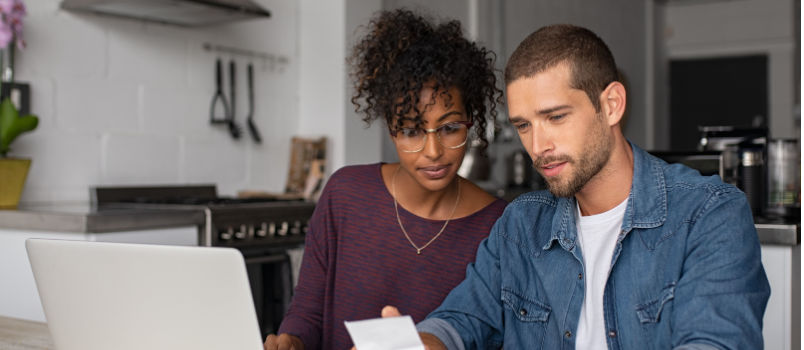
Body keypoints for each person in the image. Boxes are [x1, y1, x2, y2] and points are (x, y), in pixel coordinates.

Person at [382, 24, 770, 349]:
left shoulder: (709, 215)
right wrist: (416, 344)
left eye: (555, 117)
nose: (538, 146)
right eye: (524, 125)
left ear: (612, 105)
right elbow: (460, 321)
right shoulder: (521, 224)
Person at [263, 9, 507, 350]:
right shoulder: (345, 194)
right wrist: (291, 341)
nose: (433, 150)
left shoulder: (499, 226)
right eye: (411, 131)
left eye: (450, 128)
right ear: (391, 131)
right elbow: (308, 311)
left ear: (472, 121)